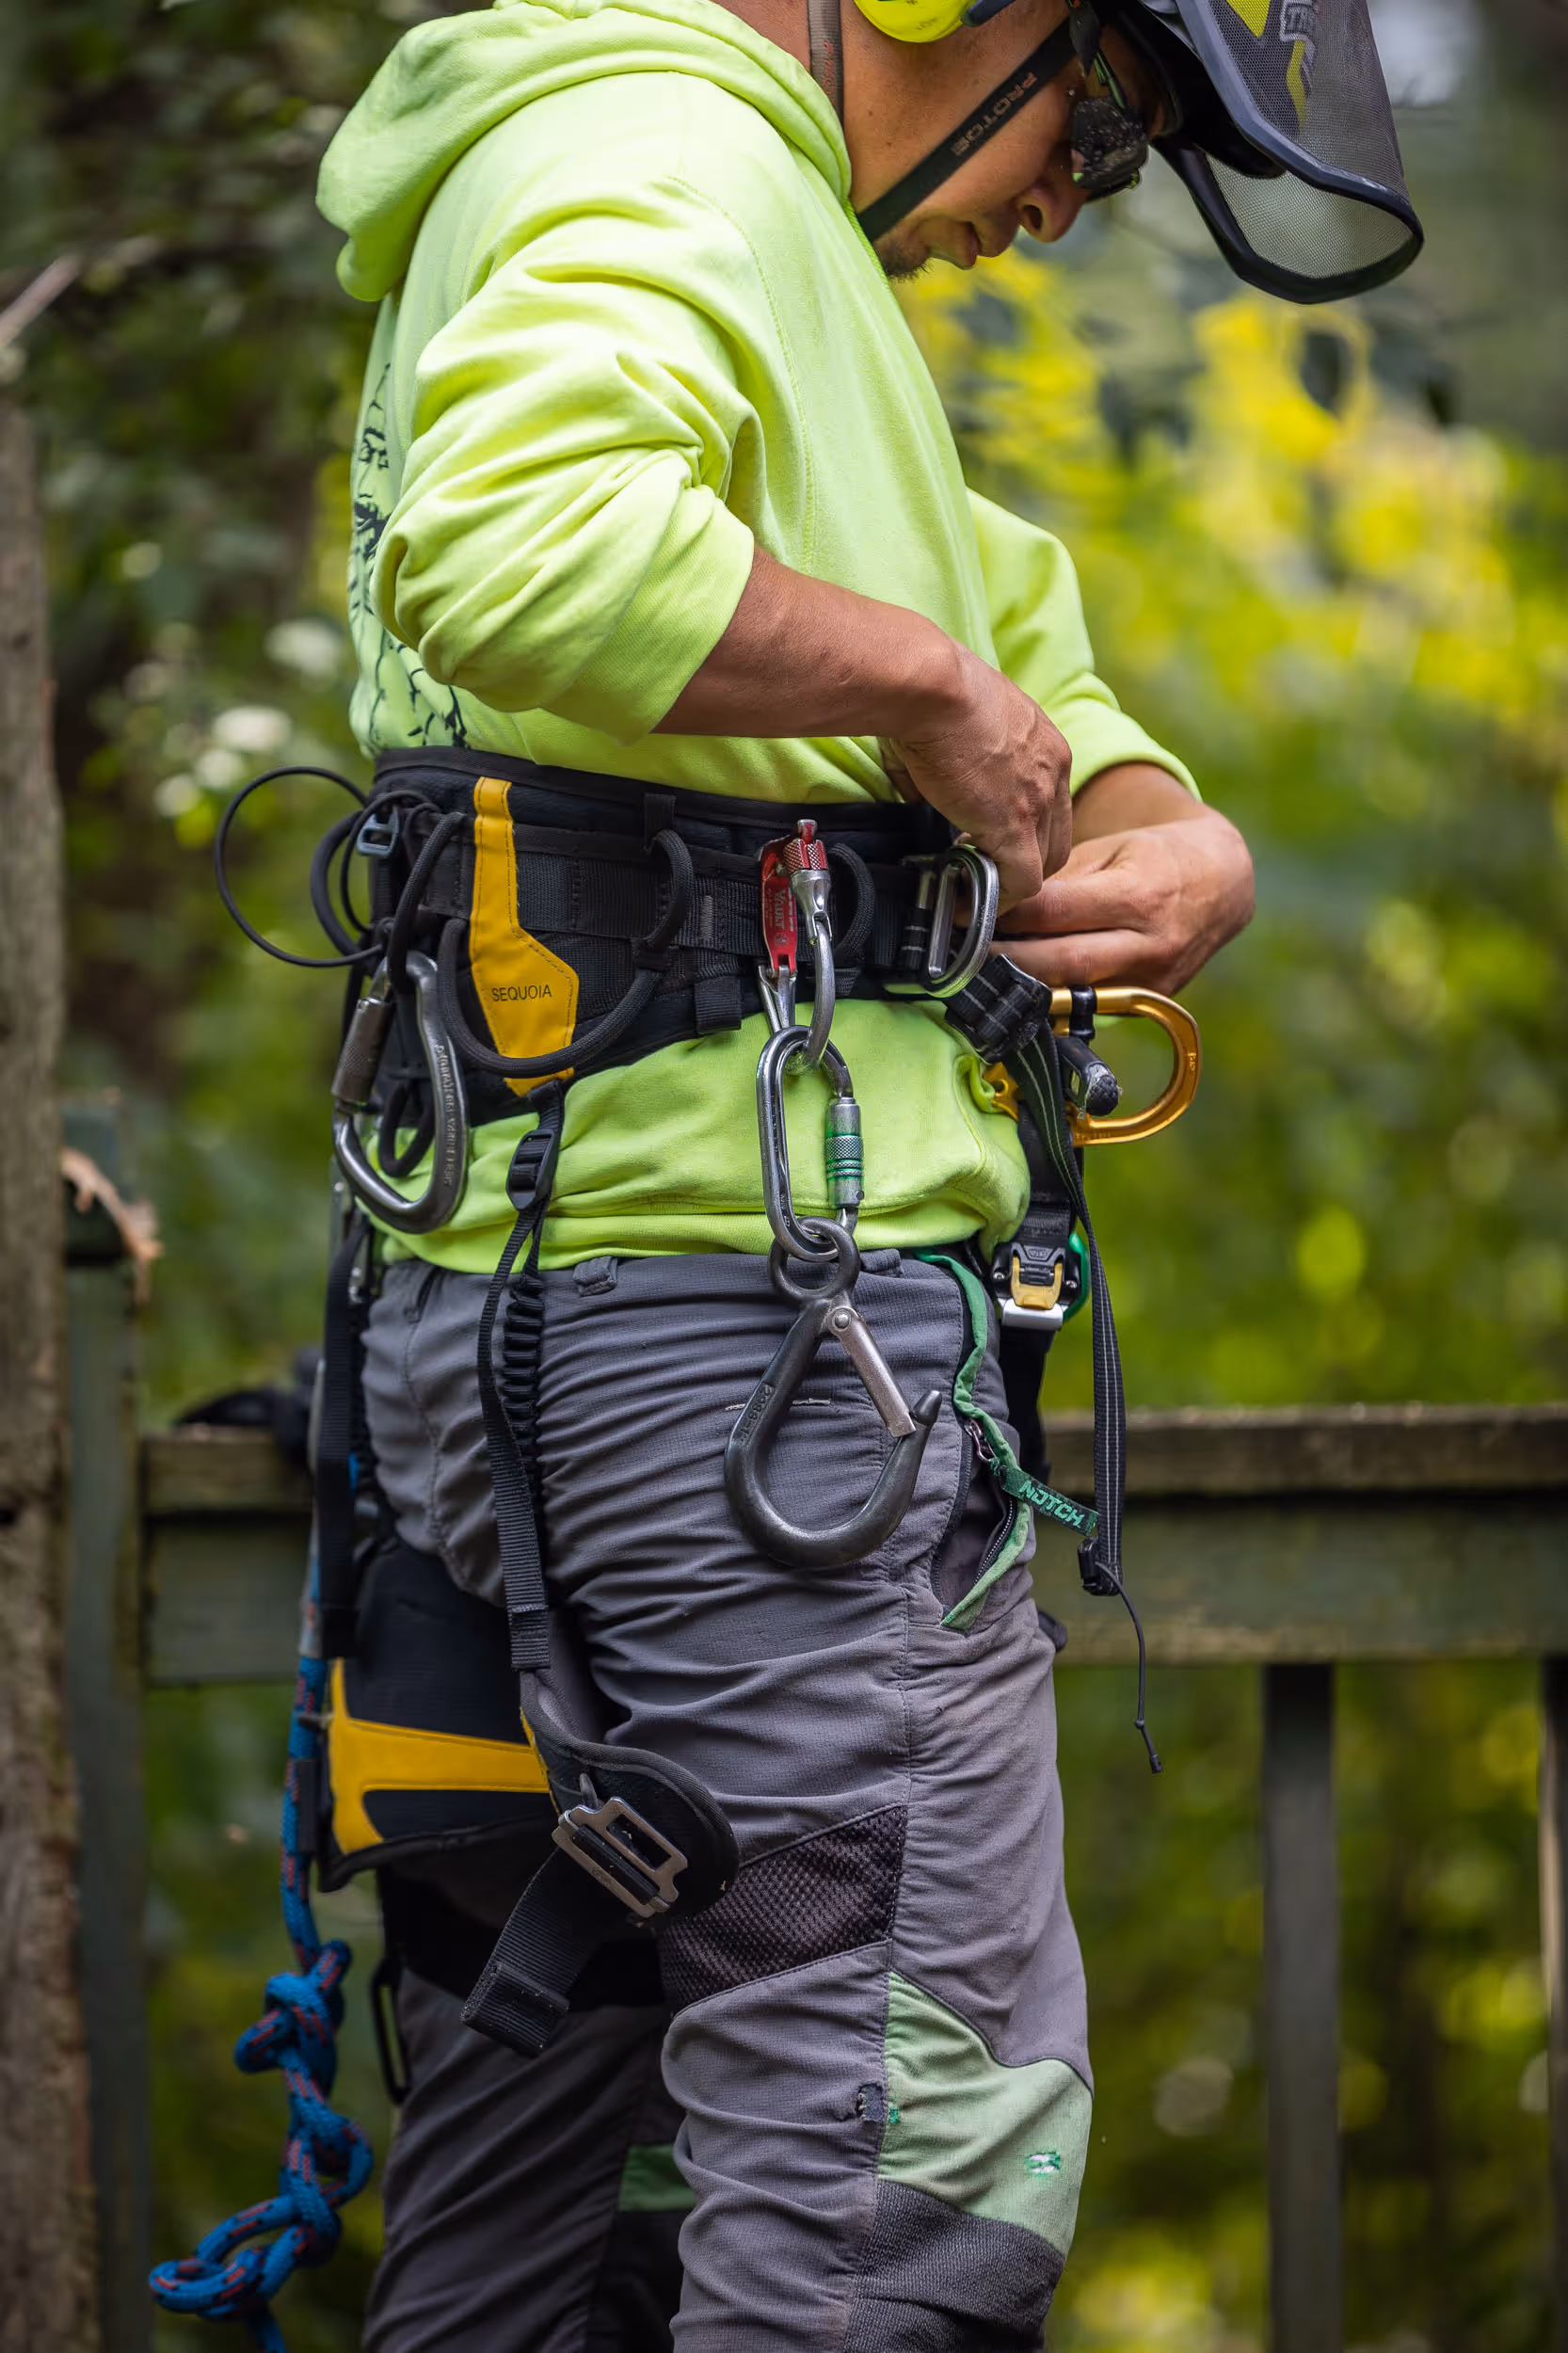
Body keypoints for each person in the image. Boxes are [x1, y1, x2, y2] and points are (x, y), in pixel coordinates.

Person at [308, 0, 1418, 2341]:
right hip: (741, 1373)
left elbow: (992, 630)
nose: (1067, 195)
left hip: (522, 1347)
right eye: (1103, 108)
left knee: (563, 2172)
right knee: (896, 2158)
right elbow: (526, 543)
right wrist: (924, 696)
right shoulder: (676, 156)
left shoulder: (753, 241)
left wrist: (1148, 822)